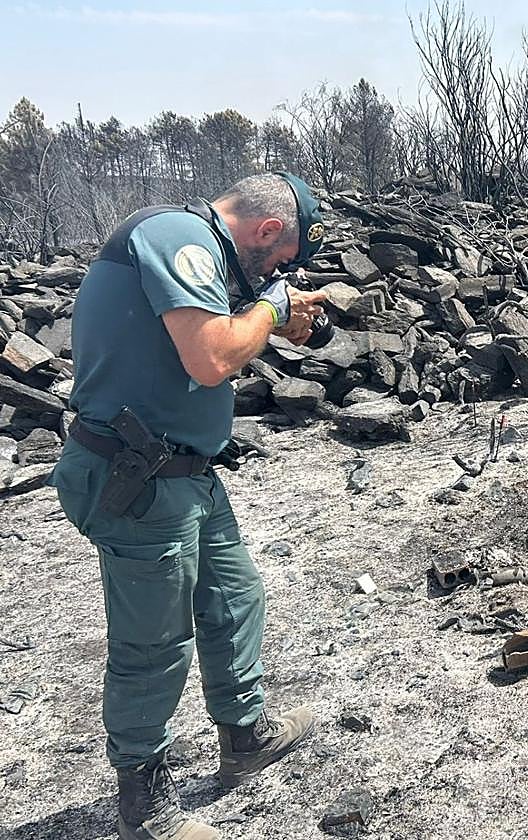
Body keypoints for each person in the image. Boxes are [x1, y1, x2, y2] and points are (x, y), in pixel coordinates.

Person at [46, 173, 329, 840]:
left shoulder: (192, 250)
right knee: (154, 645)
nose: (280, 270)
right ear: (265, 231)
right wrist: (270, 306)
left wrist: (272, 316)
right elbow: (209, 359)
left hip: (184, 473)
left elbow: (213, 338)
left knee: (236, 598)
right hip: (137, 476)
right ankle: (147, 810)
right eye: (281, 257)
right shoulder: (176, 235)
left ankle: (245, 737)